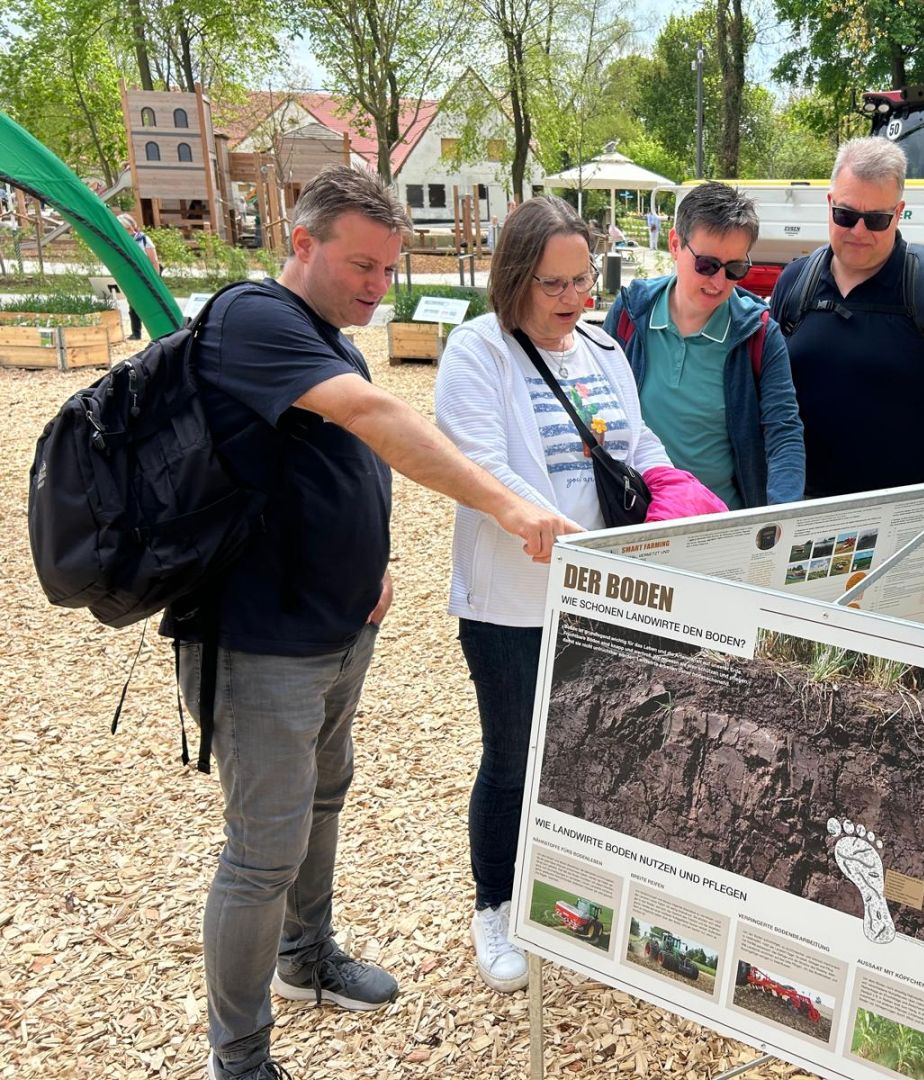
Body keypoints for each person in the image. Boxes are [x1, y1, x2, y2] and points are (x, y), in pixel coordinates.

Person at [161, 166, 574, 1080]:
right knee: (262, 849)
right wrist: (506, 503)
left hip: (334, 626)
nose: (379, 287)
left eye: (390, 269)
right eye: (362, 265)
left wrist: (371, 561)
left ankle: (306, 958)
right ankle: (240, 1054)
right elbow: (371, 416)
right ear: (300, 242)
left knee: (322, 802)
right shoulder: (254, 318)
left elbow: (331, 461)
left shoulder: (328, 333)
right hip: (258, 639)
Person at [435, 196, 672, 994]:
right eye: (554, 285)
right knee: (513, 757)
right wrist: (536, 519)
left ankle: (577, 894)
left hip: (603, 593)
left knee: (597, 750)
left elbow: (636, 445)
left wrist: (682, 502)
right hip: (513, 599)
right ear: (514, 277)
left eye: (583, 282)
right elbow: (476, 460)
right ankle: (494, 905)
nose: (574, 300)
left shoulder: (601, 349)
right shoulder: (478, 350)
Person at [769, 137, 924, 576]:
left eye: (875, 219)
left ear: (899, 213)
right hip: (807, 523)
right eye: (846, 215)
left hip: (910, 529)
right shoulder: (794, 284)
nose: (858, 230)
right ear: (829, 203)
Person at [605, 181, 805, 510]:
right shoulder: (631, 312)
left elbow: (783, 431)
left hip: (718, 520)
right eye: (707, 265)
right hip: (634, 515)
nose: (718, 282)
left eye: (735, 269)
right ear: (674, 244)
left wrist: (780, 516)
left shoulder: (758, 332)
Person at [117, 212, 159, 340]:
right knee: (133, 305)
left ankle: (157, 331)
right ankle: (136, 333)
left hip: (146, 276)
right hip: (132, 276)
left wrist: (156, 278)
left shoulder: (144, 239)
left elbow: (154, 261)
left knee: (150, 304)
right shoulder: (122, 240)